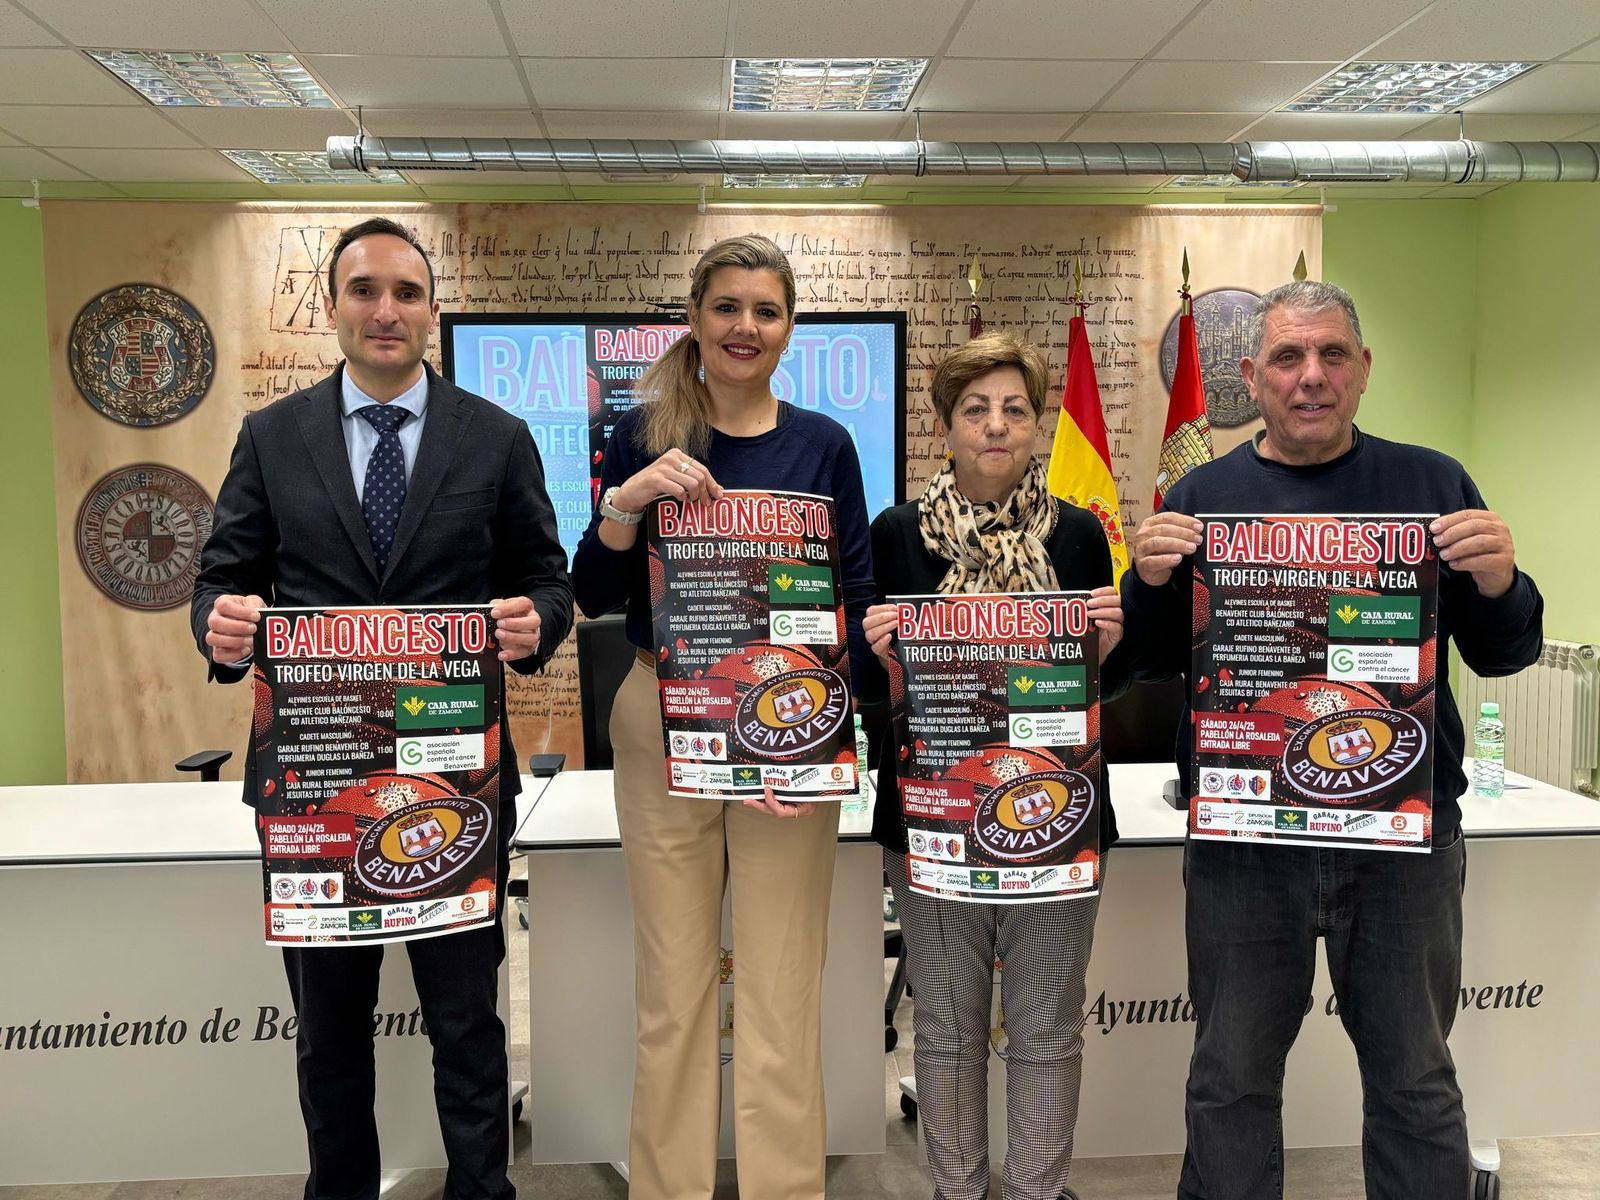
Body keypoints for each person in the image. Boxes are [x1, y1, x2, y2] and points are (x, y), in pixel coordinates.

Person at [1120, 280, 1544, 1200]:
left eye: (1331, 356)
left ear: (1362, 370)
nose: (1310, 377)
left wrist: (1506, 582)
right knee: (1229, 1082)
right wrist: (1147, 582)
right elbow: (1149, 666)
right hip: (1245, 845)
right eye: (1287, 357)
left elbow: (1506, 651)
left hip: (1401, 843)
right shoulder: (1203, 493)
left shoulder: (1433, 483)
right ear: (1251, 374)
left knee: (1416, 1081)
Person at [190, 216, 573, 1200]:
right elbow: (221, 579)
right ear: (334, 308)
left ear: (432, 309)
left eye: (406, 292)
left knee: (467, 1028)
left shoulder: (497, 437)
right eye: (364, 291)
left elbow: (547, 577)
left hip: (456, 786)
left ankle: (483, 1191)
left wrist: (538, 621)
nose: (385, 310)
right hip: (318, 789)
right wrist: (220, 628)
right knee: (328, 1037)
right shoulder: (270, 439)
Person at [570, 234, 873, 1200]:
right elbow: (590, 589)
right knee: (674, 992)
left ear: (789, 329)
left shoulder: (823, 444)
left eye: (767, 311)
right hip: (662, 717)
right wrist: (627, 499)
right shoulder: (643, 431)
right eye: (728, 308)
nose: (746, 327)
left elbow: (853, 599)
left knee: (783, 989)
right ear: (695, 319)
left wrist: (816, 738)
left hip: (789, 727)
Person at [859, 331, 1127, 1200]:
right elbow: (868, 691)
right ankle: (958, 1189)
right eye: (975, 410)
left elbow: (1103, 687)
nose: (996, 426)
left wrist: (1112, 647)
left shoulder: (1081, 534)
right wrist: (881, 659)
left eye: (1015, 409)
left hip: (1057, 818)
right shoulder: (897, 535)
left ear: (1037, 426)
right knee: (944, 1028)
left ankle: (1037, 1191)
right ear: (945, 428)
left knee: (1047, 1024)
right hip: (935, 826)